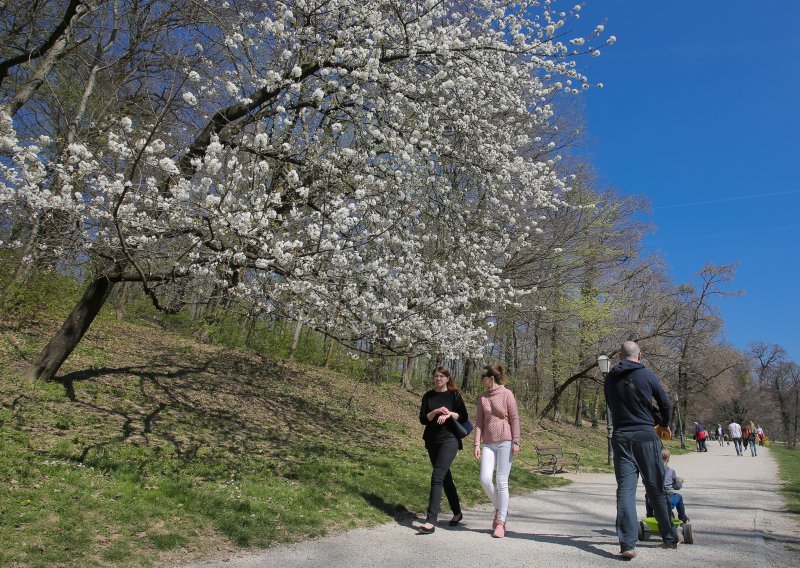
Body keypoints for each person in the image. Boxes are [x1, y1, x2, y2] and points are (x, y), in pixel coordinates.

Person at [604, 341, 680, 559]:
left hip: (620, 436)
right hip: (646, 435)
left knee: (625, 491)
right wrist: (664, 424)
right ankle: (669, 537)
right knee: (656, 487)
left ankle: (627, 544)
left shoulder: (610, 377)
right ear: (640, 356)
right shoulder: (646, 374)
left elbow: (610, 404)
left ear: (620, 356)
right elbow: (665, 403)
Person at [417, 366, 470, 533]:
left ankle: (431, 521)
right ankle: (457, 512)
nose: (438, 378)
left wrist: (449, 415)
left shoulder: (454, 395)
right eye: (436, 376)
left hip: (450, 439)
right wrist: (434, 411)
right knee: (445, 477)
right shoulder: (428, 396)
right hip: (432, 440)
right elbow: (423, 420)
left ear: (448, 379)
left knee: (437, 476)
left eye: (442, 376)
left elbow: (464, 417)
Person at [474, 363, 521, 539]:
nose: (481, 380)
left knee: (502, 481)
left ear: (491, 378)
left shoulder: (507, 394)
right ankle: (500, 507)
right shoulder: (482, 397)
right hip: (488, 443)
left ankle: (501, 522)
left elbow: (515, 419)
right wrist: (477, 444)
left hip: (505, 441)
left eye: (483, 377)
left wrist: (516, 441)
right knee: (485, 479)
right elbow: (479, 422)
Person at [645, 448, 689, 524]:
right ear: (668, 459)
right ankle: (682, 517)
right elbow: (677, 486)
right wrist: (679, 481)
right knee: (679, 497)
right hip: (668, 502)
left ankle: (650, 515)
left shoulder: (652, 471)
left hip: (654, 502)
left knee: (647, 495)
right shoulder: (671, 471)